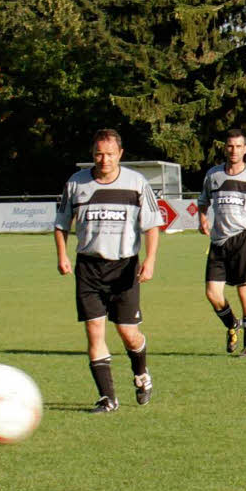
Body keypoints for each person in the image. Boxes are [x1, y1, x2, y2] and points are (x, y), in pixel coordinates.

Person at [54, 128, 163, 413]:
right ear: (93, 154)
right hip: (88, 268)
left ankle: (141, 374)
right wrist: (62, 255)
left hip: (124, 267)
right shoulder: (76, 183)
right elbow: (61, 223)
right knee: (94, 330)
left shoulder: (136, 183)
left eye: (110, 154)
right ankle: (107, 398)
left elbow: (152, 225)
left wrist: (149, 261)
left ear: (120, 154)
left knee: (128, 333)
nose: (104, 159)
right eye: (99, 154)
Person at [198, 128, 246, 357]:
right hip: (218, 241)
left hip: (245, 238)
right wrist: (202, 218)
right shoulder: (213, 175)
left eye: (239, 146)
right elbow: (203, 201)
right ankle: (233, 325)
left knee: (245, 293)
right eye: (230, 146)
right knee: (212, 293)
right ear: (225, 148)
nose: (234, 150)